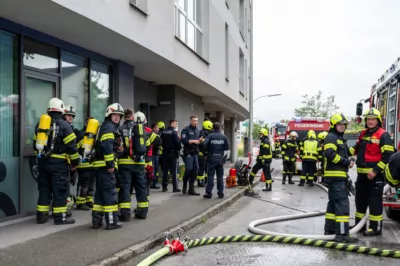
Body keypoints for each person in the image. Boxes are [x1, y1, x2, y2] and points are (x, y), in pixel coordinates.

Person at [33, 98, 80, 225]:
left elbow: (34, 144)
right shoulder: (64, 125)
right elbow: (72, 146)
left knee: (44, 189)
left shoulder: (40, 125)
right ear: (61, 110)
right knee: (60, 190)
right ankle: (60, 218)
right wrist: (76, 161)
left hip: (43, 163)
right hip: (59, 165)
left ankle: (41, 216)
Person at [349, 108, 394, 236]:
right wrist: (350, 160)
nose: (370, 121)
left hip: (375, 176)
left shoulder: (383, 135)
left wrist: (375, 171)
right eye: (368, 119)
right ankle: (360, 225)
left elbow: (388, 156)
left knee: (374, 202)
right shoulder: (363, 133)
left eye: (373, 119)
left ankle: (375, 228)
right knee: (360, 201)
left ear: (378, 121)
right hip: (362, 175)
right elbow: (356, 150)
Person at [323, 113, 356, 243]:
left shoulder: (339, 139)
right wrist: (346, 162)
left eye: (344, 125)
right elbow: (329, 154)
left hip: (337, 177)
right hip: (336, 177)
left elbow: (349, 152)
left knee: (333, 205)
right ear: (333, 125)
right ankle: (342, 234)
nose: (342, 127)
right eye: (340, 124)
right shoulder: (331, 137)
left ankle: (329, 231)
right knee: (342, 205)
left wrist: (360, 143)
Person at [91, 103, 124, 230]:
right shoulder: (109, 127)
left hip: (99, 165)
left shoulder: (105, 126)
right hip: (106, 167)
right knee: (110, 193)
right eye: (114, 115)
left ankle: (96, 221)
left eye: (119, 115)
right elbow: (106, 146)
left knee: (99, 194)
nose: (117, 117)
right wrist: (110, 164)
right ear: (109, 115)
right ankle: (112, 221)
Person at [117, 108, 149, 221]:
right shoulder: (141, 129)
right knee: (141, 187)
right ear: (132, 116)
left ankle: (125, 214)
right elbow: (147, 145)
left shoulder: (120, 129)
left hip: (125, 164)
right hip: (139, 163)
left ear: (124, 117)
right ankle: (143, 212)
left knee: (125, 188)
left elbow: (118, 147)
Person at [202, 122, 230, 199]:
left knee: (210, 176)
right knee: (220, 177)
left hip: (211, 158)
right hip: (220, 159)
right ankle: (220, 193)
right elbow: (227, 149)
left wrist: (205, 153)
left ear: (212, 128)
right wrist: (224, 159)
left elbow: (204, 144)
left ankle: (209, 193)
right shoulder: (223, 137)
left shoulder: (210, 136)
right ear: (219, 128)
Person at [181, 115, 201, 195]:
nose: (195, 122)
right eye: (194, 120)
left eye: (196, 121)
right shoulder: (185, 130)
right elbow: (183, 141)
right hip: (188, 152)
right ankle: (185, 184)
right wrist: (193, 141)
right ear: (190, 121)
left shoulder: (197, 130)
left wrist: (200, 140)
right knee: (189, 169)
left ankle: (191, 189)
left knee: (195, 170)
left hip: (195, 153)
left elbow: (198, 141)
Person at [160, 119, 181, 192]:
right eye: (175, 123)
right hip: (172, 153)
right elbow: (178, 143)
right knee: (174, 171)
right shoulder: (174, 133)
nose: (176, 125)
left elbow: (161, 142)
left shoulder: (163, 132)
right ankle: (175, 187)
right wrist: (178, 148)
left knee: (165, 171)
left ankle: (164, 187)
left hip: (165, 153)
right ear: (171, 123)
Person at [198, 120, 213, 187]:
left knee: (204, 168)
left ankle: (203, 180)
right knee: (203, 168)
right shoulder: (204, 133)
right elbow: (203, 145)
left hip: (204, 154)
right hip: (204, 154)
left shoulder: (202, 132)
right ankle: (200, 181)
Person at [150, 123, 162, 189]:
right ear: (154, 128)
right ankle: (153, 183)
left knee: (156, 169)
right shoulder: (152, 135)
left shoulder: (157, 135)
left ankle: (155, 183)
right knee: (153, 169)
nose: (158, 129)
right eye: (157, 127)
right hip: (153, 154)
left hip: (156, 154)